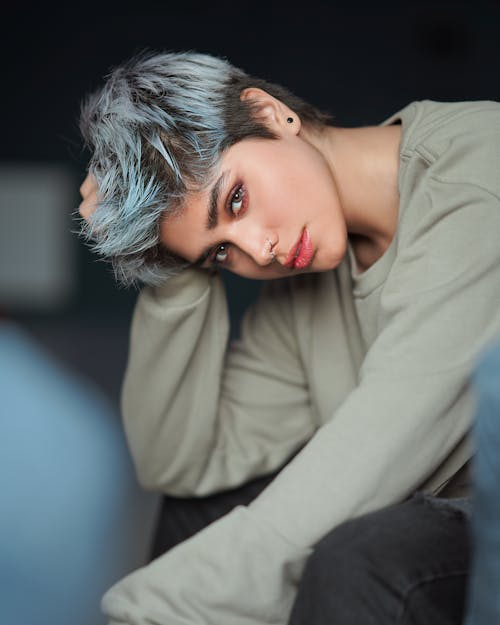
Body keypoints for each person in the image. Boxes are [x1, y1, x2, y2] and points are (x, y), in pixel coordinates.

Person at [78, 50, 500, 625]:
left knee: (360, 560)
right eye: (219, 252)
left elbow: (386, 440)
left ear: (271, 113)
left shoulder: (479, 170)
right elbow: (181, 462)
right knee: (204, 509)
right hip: (446, 515)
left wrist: (152, 604)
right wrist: (170, 271)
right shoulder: (302, 287)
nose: (258, 250)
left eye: (236, 199)